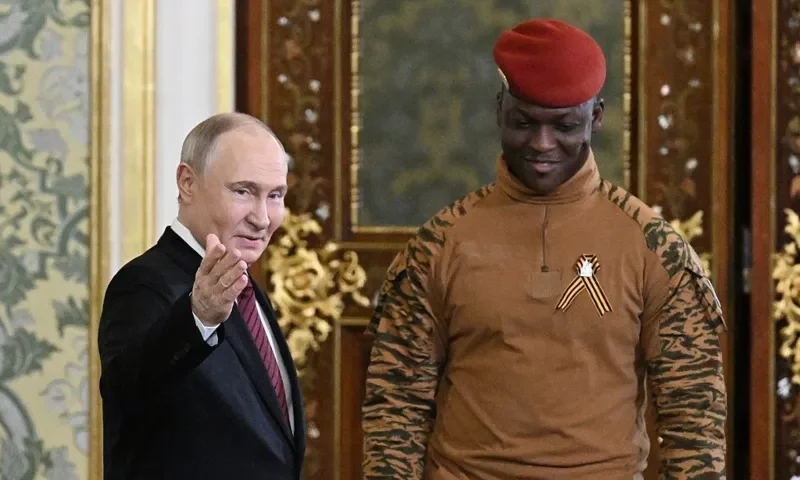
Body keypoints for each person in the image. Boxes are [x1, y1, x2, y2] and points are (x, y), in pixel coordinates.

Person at [362, 19, 727, 480]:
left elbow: (693, 414)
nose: (541, 144)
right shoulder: (440, 244)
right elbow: (396, 406)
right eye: (524, 123)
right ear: (499, 110)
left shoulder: (654, 248)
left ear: (596, 117)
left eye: (565, 125)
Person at [98, 113, 305, 479]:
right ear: (188, 182)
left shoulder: (245, 288)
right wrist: (198, 318)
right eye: (243, 191)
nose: (262, 218)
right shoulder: (143, 284)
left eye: (275, 196)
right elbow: (126, 393)